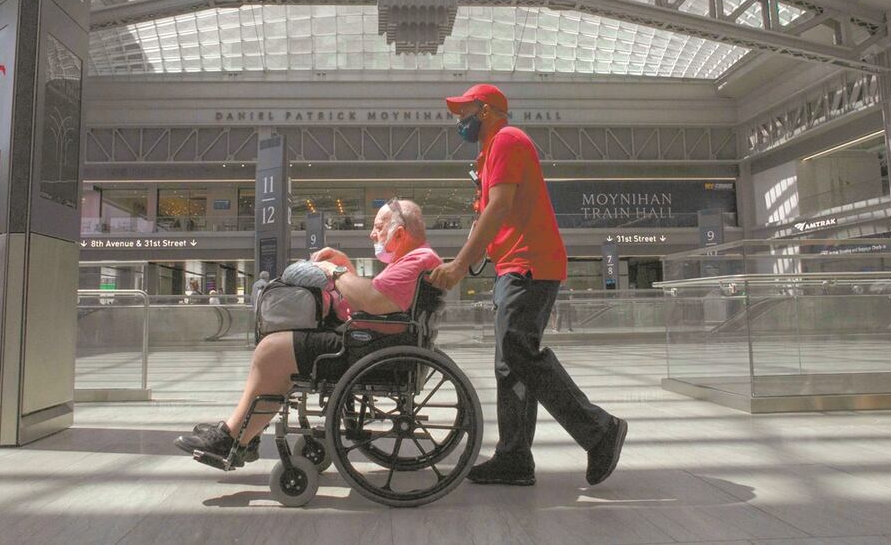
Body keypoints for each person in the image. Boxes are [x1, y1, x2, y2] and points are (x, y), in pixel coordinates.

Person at [428, 83, 627, 487]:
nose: (458, 120)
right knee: (508, 363)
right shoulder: (489, 154)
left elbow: (500, 207)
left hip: (530, 264)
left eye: (463, 111)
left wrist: (460, 266)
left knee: (519, 351)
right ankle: (514, 458)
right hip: (515, 265)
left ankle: (599, 430)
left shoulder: (506, 140)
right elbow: (495, 215)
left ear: (485, 111)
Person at [174, 198, 441, 466]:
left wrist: (335, 271)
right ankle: (245, 430)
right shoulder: (417, 260)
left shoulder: (415, 260)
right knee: (280, 349)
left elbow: (372, 300)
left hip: (367, 348)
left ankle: (233, 437)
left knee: (272, 349)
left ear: (399, 233)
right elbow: (375, 300)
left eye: (379, 226)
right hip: (375, 343)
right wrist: (347, 267)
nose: (373, 234)